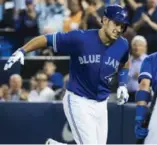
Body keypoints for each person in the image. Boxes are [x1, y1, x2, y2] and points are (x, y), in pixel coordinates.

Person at [4, 4, 130, 144]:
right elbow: (47, 39)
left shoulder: (123, 45)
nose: (119, 29)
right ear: (105, 20)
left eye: (123, 26)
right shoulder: (81, 38)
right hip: (79, 100)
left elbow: (125, 61)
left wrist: (123, 84)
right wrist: (23, 50)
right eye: (116, 23)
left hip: (101, 103)